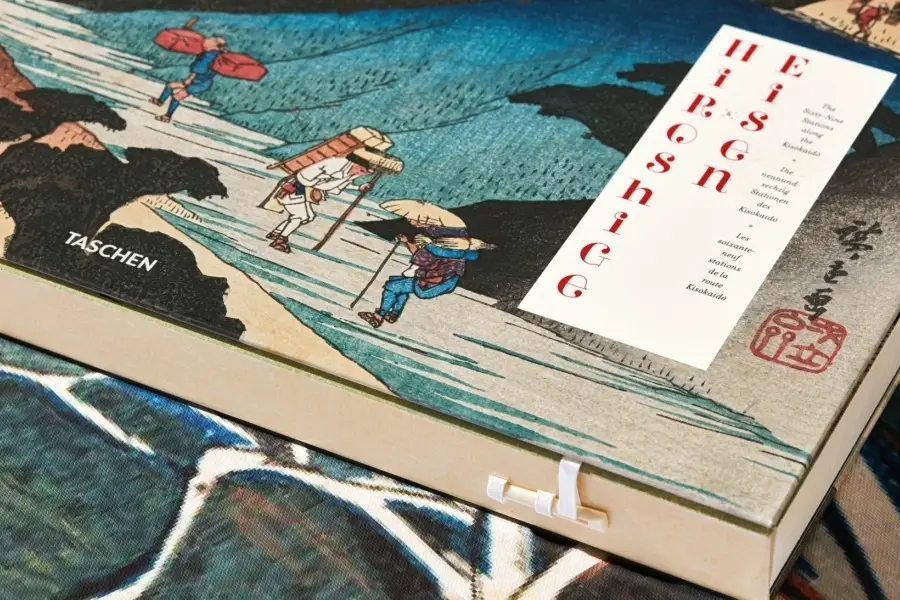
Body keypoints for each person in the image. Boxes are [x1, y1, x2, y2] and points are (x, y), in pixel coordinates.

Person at [358, 230, 495, 328]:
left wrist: (419, 272)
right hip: (432, 284)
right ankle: (393, 315)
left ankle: (379, 316)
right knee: (399, 285)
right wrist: (407, 242)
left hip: (428, 286)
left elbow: (432, 264)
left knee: (392, 286)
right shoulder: (456, 255)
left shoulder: (447, 256)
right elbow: (423, 254)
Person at [266, 153, 374, 253]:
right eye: (362, 170)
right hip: (295, 188)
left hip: (304, 192)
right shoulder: (334, 164)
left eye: (365, 173)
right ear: (357, 163)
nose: (362, 174)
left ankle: (276, 233)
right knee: (301, 216)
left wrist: (358, 187)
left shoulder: (351, 172)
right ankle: (280, 240)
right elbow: (305, 177)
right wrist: (318, 186)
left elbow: (339, 185)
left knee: (308, 217)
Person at [150, 36, 226, 123]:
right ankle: (160, 101)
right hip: (198, 81)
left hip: (199, 83)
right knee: (170, 85)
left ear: (215, 45)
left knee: (177, 96)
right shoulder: (212, 54)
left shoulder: (210, 55)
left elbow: (199, 68)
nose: (208, 39)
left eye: (213, 39)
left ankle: (167, 116)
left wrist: (190, 78)